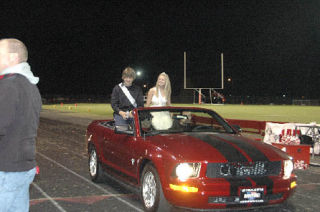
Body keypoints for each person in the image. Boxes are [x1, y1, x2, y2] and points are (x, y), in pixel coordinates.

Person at [0, 38, 42, 211]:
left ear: (12, 57)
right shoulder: (31, 86)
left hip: (7, 168)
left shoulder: (8, 85)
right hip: (24, 166)